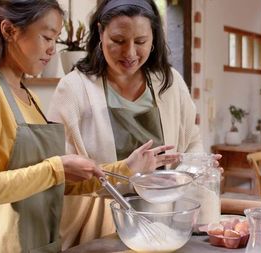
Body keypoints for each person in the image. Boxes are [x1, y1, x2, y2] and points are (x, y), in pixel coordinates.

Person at [0, 1, 176, 252]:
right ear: (9, 31)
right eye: (47, 37)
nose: (51, 50)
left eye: (55, 39)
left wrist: (126, 168)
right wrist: (57, 168)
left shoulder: (29, 97)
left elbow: (53, 182)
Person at [47, 0, 208, 248]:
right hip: (96, 229)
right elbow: (59, 174)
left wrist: (196, 166)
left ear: (154, 36)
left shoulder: (170, 83)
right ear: (101, 33)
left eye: (141, 42)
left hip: (164, 223)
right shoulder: (73, 90)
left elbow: (192, 140)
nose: (130, 53)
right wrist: (125, 170)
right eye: (119, 41)